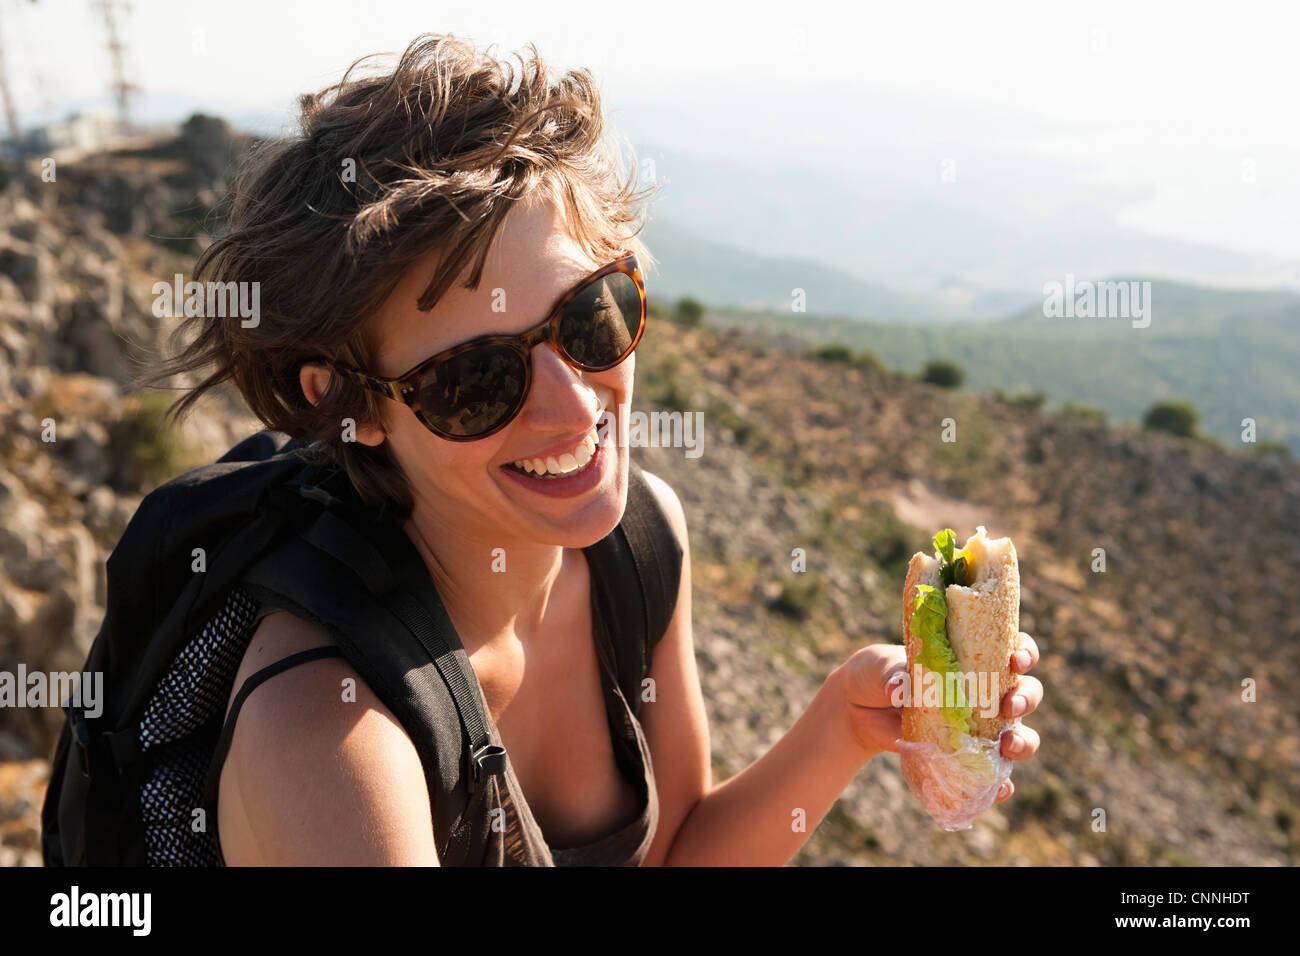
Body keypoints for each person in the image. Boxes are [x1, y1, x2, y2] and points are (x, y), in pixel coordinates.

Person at [146, 33, 1042, 866]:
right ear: (349, 406)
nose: (575, 406)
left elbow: (675, 855)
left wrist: (844, 727)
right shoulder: (328, 736)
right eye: (476, 379)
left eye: (590, 316)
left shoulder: (639, 539)